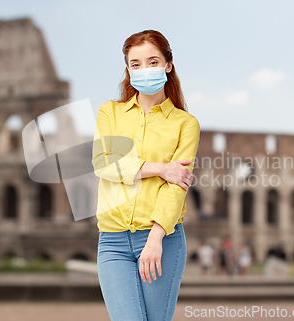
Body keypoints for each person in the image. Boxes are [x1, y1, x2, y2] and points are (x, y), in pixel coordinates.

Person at [94, 30, 201, 321]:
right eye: (136, 64)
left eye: (152, 61)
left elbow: (176, 188)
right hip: (113, 241)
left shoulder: (186, 124)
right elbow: (104, 164)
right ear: (128, 69)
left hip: (161, 239)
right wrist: (161, 169)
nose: (144, 70)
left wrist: (155, 238)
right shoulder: (110, 113)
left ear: (168, 64)